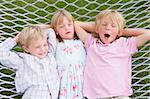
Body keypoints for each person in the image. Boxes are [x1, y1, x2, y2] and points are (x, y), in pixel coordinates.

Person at [74, 9, 150, 99]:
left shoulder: (125, 45)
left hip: (120, 95)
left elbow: (148, 33)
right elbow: (77, 24)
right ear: (97, 28)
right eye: (104, 25)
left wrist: (121, 32)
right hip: (97, 96)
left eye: (113, 26)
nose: (108, 28)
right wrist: (99, 28)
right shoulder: (91, 43)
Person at [0, 25, 60, 99]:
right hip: (34, 95)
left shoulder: (50, 54)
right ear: (26, 48)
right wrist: (16, 39)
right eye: (38, 47)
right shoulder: (22, 60)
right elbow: (1, 52)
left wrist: (36, 29)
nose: (43, 49)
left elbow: (50, 31)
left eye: (45, 45)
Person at [50, 10, 87, 99]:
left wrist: (77, 25)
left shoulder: (82, 41)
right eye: (62, 26)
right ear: (56, 31)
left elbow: (96, 29)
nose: (67, 28)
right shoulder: (56, 43)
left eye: (69, 25)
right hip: (64, 82)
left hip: (81, 79)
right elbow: (37, 29)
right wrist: (51, 27)